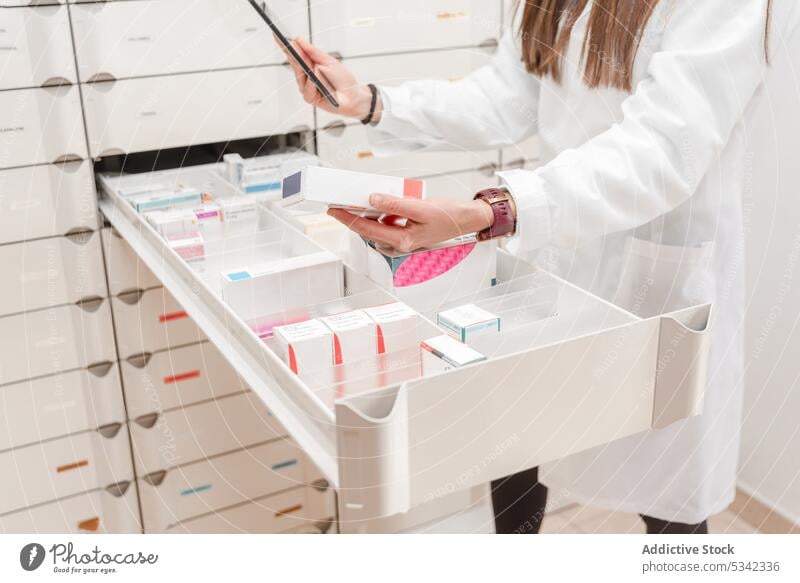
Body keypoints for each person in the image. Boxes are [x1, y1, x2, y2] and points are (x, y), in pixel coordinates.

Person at [284, 0, 799, 534]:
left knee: (664, 492)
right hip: (555, 255)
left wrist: (495, 209)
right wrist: (372, 102)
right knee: (517, 447)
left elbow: (665, 150)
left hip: (657, 268)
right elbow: (507, 96)